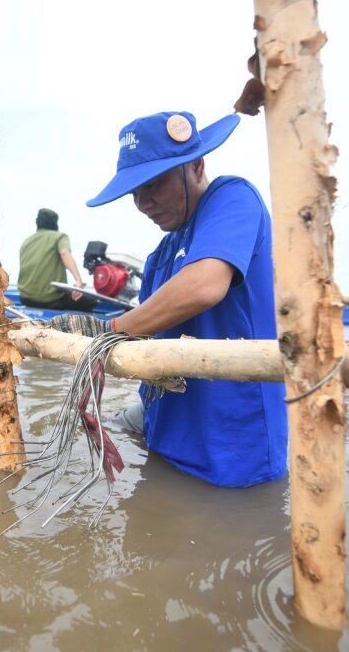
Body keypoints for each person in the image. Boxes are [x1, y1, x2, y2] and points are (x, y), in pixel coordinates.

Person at [53, 111, 288, 488]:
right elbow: (147, 343)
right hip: (163, 436)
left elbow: (204, 285)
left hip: (231, 450)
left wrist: (105, 331)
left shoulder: (232, 197)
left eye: (155, 184)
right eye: (135, 192)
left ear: (196, 165)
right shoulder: (161, 254)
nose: (144, 202)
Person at [17, 208, 97, 311]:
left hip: (25, 298)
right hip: (51, 300)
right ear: (55, 223)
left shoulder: (26, 241)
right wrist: (78, 281)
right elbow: (64, 253)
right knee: (90, 301)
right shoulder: (59, 236)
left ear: (37, 222)